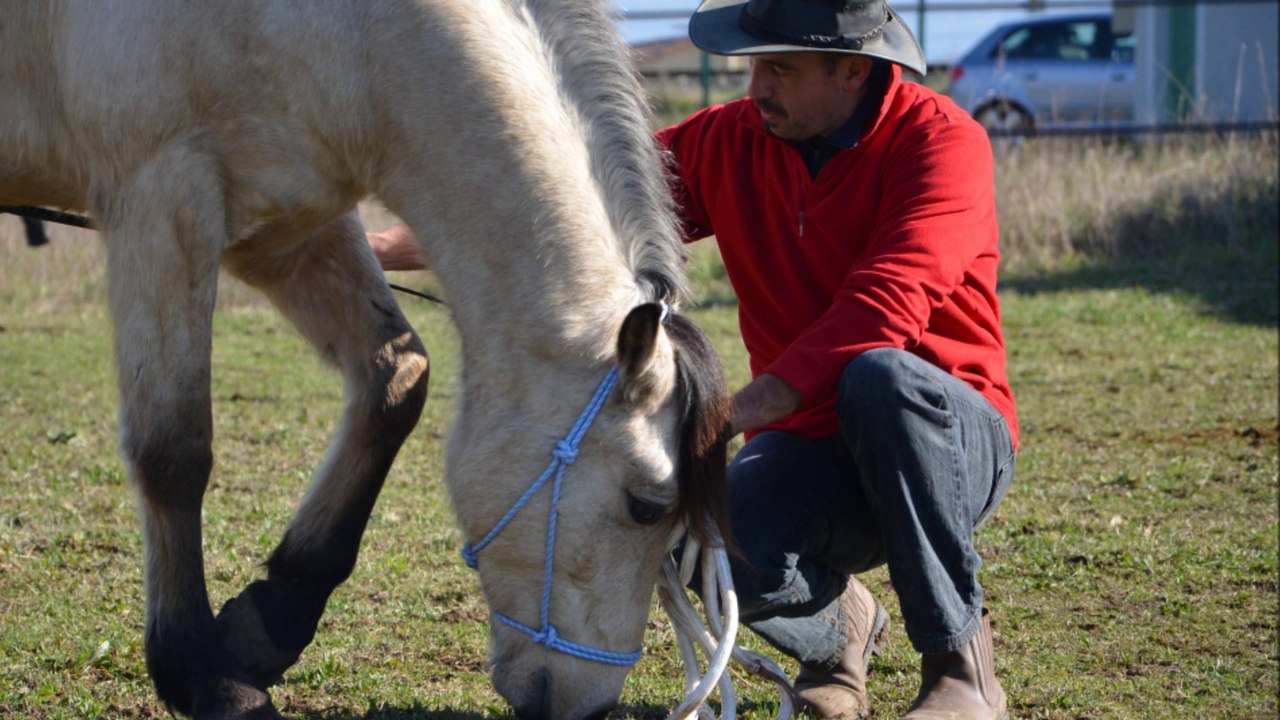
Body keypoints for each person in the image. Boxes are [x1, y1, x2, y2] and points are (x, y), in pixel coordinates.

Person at [367, 1, 1017, 717]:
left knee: (881, 377)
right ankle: (839, 631)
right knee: (683, 527)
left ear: (852, 70)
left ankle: (961, 669)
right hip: (808, 444)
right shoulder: (728, 141)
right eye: (755, 65)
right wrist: (375, 250)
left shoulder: (942, 142)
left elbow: (888, 300)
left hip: (942, 433)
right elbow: (566, 212)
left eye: (781, 68)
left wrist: (735, 414)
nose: (757, 87)